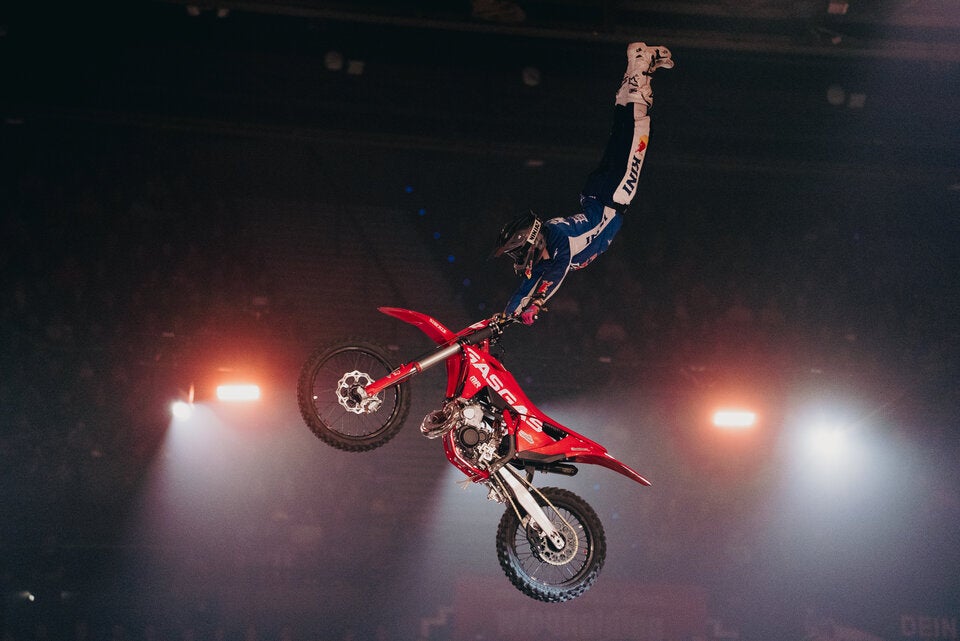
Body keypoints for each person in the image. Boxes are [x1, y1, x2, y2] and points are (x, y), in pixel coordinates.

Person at [493, 42, 673, 324]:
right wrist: (505, 316)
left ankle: (639, 66)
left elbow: (553, 279)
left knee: (635, 132)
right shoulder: (550, 246)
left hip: (612, 197)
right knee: (622, 133)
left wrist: (533, 305)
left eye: (518, 250)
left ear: (532, 240)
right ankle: (641, 66)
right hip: (597, 195)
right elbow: (526, 288)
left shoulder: (560, 245)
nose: (517, 257)